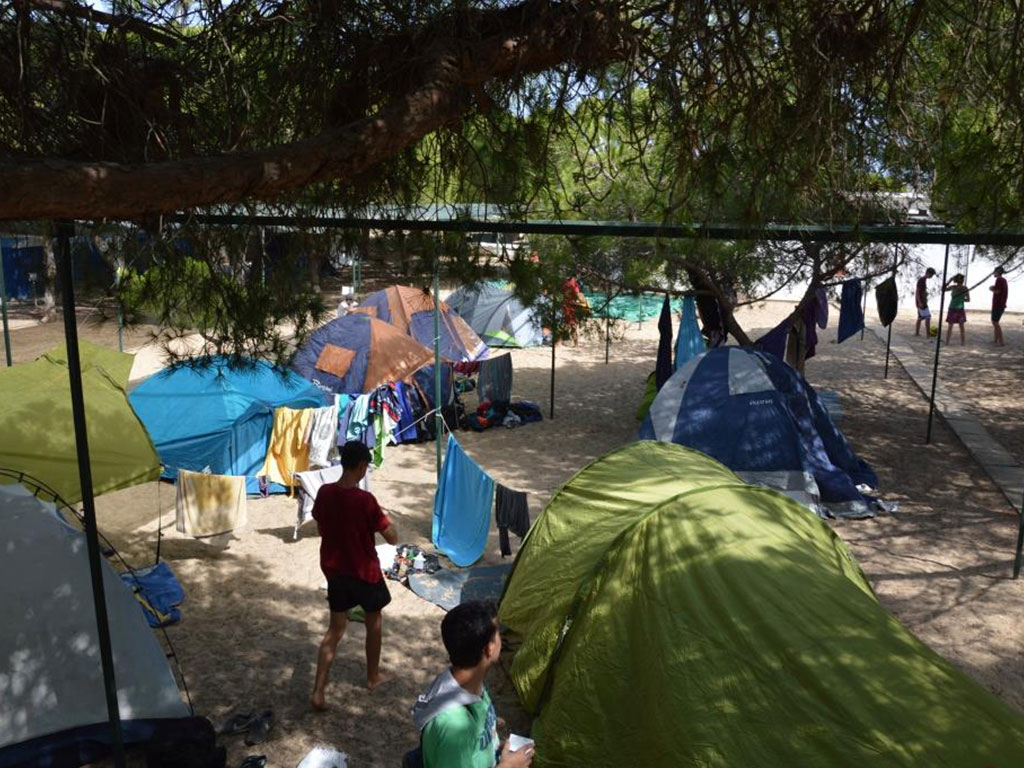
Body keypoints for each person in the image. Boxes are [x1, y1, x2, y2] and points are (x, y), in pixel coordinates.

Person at [310, 441, 398, 710]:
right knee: (374, 623)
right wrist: (385, 516)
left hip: (336, 571)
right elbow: (392, 538)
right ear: (361, 466)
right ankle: (372, 677)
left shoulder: (325, 493)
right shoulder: (365, 501)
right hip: (365, 573)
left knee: (335, 630)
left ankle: (318, 690)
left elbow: (320, 528)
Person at [410, 602, 534, 768]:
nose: (501, 638)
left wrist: (493, 748)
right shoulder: (452, 727)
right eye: (497, 632)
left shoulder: (471, 684)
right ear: (489, 649)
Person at [944, 273, 970, 346]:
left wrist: (949, 280)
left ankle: (947, 343)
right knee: (960, 327)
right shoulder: (963, 288)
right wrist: (962, 299)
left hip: (954, 308)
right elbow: (968, 300)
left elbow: (943, 289)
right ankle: (962, 343)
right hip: (957, 308)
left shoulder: (956, 287)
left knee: (952, 327)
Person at [915, 267, 936, 337]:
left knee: (920, 317)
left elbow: (921, 291)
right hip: (921, 302)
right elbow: (917, 292)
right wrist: (919, 302)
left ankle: (917, 333)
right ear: (928, 273)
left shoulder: (923, 280)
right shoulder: (921, 280)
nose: (931, 277)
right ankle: (928, 334)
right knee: (928, 317)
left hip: (923, 301)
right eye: (931, 275)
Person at [990, 266, 1008, 346]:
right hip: (1000, 304)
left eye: (994, 271)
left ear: (997, 272)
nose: (993, 273)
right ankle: (996, 339)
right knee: (995, 322)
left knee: (995, 322)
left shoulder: (999, 279)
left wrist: (991, 289)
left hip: (998, 304)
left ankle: (1001, 341)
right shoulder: (1003, 280)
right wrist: (994, 288)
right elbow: (1000, 290)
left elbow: (997, 291)